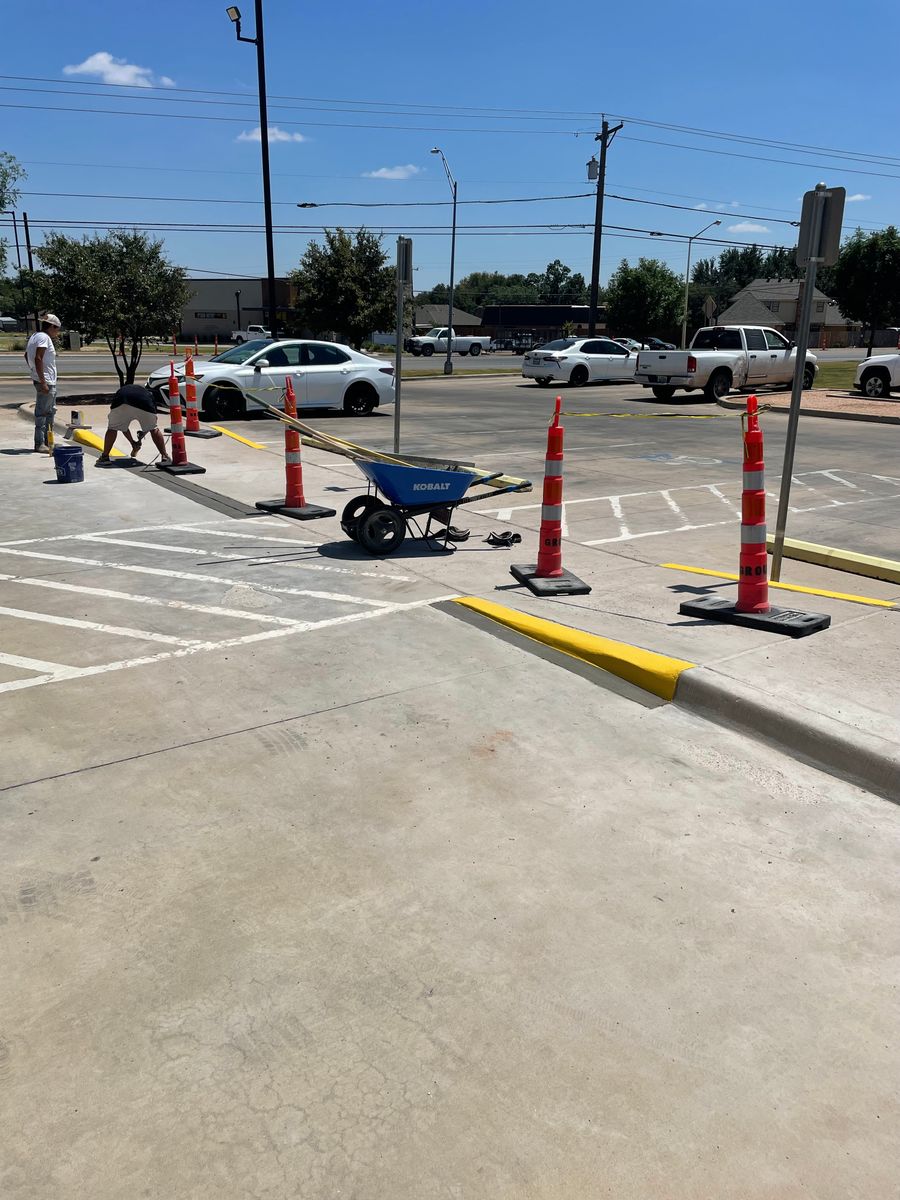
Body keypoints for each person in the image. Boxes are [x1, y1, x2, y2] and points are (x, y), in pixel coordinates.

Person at [96, 383, 171, 466]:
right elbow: (152, 423)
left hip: (122, 401)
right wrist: (139, 436)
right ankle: (164, 456)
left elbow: (121, 426)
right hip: (144, 403)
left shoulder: (123, 390)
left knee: (112, 428)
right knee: (153, 428)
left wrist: (133, 442)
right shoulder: (147, 394)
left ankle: (105, 457)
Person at [25, 313, 62, 453]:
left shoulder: (35, 336)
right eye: (57, 329)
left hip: (45, 378)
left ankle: (48, 441)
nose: (57, 332)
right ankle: (39, 443)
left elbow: (27, 356)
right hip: (46, 380)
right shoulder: (44, 338)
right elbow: (38, 358)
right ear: (52, 326)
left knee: (50, 412)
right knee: (42, 413)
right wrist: (42, 380)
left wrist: (34, 372)